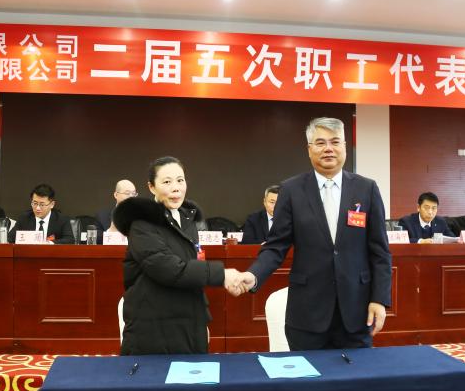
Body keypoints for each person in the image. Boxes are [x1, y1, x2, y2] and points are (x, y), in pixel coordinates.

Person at [238, 117, 392, 350]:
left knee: (357, 372)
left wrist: (379, 299)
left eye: (335, 142)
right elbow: (276, 246)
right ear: (309, 150)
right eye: (320, 143)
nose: (328, 148)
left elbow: (380, 251)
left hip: (356, 311)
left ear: (345, 147)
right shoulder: (291, 190)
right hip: (307, 314)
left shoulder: (366, 189)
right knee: (307, 373)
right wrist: (254, 275)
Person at [113, 156, 246, 355]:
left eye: (180, 180)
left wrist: (202, 319)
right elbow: (167, 268)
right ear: (151, 187)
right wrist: (222, 275)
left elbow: (191, 271)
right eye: (167, 182)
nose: (176, 188)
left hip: (188, 324)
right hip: (153, 328)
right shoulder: (141, 224)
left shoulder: (187, 220)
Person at [8, 183, 75, 244]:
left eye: (42, 205)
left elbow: (70, 240)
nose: (38, 208)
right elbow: (9, 238)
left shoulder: (62, 219)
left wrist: (50, 243)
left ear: (52, 204)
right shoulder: (24, 218)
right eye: (35, 203)